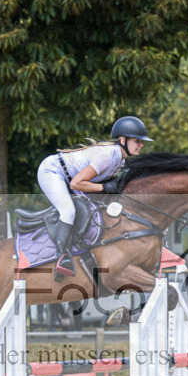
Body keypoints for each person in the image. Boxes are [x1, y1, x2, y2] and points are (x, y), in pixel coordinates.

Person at [37, 115, 152, 279]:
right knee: (68, 211)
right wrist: (105, 187)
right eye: (137, 141)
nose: (141, 145)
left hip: (69, 178)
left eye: (141, 141)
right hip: (53, 171)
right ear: (122, 139)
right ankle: (61, 258)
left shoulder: (119, 161)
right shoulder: (106, 157)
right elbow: (76, 184)